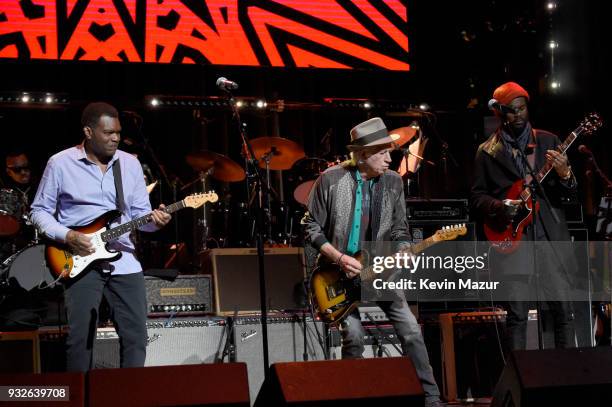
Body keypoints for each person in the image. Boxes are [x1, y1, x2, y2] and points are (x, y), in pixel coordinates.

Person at [302, 117, 442, 406]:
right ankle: (355, 397)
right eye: (383, 153)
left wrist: (404, 248)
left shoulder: (392, 182)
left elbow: (401, 229)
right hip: (337, 273)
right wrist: (338, 257)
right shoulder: (330, 178)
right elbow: (310, 226)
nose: (390, 158)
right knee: (353, 336)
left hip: (379, 272)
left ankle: (432, 398)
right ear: (363, 154)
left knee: (412, 333)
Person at [30, 102, 171, 371]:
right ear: (88, 132)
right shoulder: (60, 163)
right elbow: (38, 212)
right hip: (79, 259)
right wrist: (68, 235)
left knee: (137, 338)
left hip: (125, 261)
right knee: (80, 340)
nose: (115, 137)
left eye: (118, 132)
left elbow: (141, 218)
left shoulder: (129, 164)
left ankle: (128, 396)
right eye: (108, 133)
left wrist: (157, 221)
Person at [470, 82, 576, 350]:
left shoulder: (549, 141)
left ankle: (568, 379)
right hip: (513, 239)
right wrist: (499, 206)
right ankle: (520, 384)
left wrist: (565, 174)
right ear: (499, 113)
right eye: (511, 111)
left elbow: (570, 194)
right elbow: (477, 197)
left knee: (564, 312)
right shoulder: (487, 151)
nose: (518, 115)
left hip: (550, 237)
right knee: (517, 316)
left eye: (522, 109)